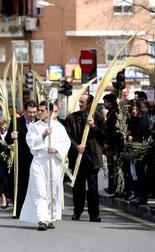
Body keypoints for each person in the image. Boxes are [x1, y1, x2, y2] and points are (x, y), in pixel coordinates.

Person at [20, 102, 70, 230]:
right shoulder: (34, 126)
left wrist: (56, 149)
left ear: (50, 112)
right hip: (39, 162)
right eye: (39, 110)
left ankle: (49, 217)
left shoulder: (58, 127)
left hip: (53, 163)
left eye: (42, 110)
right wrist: (43, 135)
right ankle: (42, 219)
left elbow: (66, 143)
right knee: (39, 191)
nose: (39, 113)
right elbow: (30, 142)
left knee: (51, 192)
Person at [65, 94, 105, 222]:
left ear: (89, 104)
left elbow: (104, 134)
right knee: (78, 188)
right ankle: (77, 212)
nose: (80, 103)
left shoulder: (98, 117)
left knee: (93, 188)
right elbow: (67, 136)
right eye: (80, 101)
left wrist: (93, 126)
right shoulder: (71, 118)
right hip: (77, 158)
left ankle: (94, 214)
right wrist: (76, 147)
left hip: (92, 158)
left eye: (82, 101)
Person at [5, 100, 38, 218]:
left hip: (36, 159)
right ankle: (18, 210)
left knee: (35, 186)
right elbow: (8, 139)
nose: (32, 115)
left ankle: (35, 211)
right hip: (21, 159)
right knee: (20, 186)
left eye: (34, 112)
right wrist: (12, 136)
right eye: (30, 112)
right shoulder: (16, 122)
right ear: (24, 111)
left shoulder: (39, 123)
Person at [102, 93, 120, 195]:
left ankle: (113, 187)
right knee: (110, 167)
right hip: (110, 144)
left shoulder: (115, 113)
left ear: (110, 102)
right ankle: (111, 186)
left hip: (112, 146)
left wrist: (109, 144)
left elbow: (113, 131)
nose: (104, 104)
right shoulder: (111, 113)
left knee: (113, 166)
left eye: (105, 102)